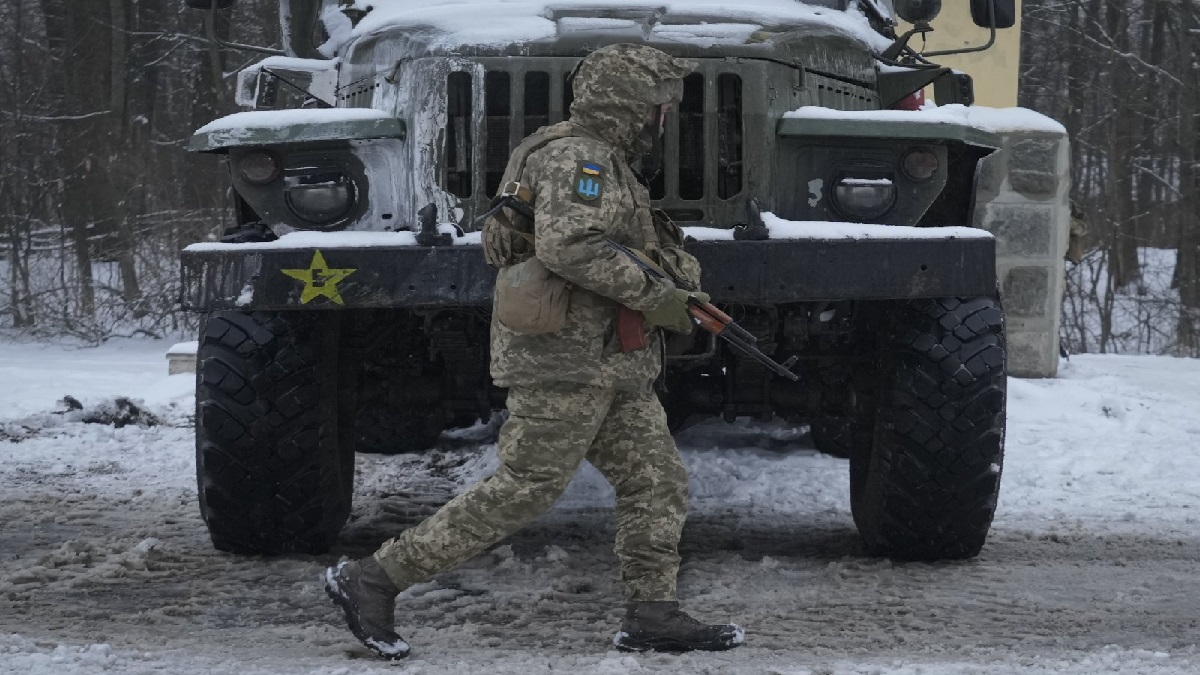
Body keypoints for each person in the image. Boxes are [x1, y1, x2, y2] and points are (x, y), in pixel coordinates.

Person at [323, 43, 744, 659]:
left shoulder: (600, 158)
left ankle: (652, 613)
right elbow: (571, 247)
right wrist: (658, 296)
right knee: (527, 486)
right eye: (659, 103)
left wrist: (675, 281)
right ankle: (372, 579)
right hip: (565, 359)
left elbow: (624, 243)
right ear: (629, 102)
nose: (664, 116)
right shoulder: (580, 159)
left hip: (609, 360)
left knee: (656, 480)